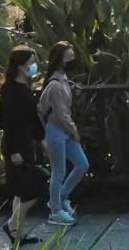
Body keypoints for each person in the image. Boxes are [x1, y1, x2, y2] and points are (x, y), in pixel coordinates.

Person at [0, 46, 46, 245]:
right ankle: (11, 224)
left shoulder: (23, 86)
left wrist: (40, 138)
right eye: (30, 62)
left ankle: (17, 233)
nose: (33, 66)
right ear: (20, 65)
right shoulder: (10, 90)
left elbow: (32, 117)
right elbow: (5, 122)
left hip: (27, 141)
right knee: (34, 186)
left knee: (21, 189)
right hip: (16, 143)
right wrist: (13, 151)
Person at [37, 41, 87, 227]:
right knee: (59, 171)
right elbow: (60, 115)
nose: (73, 61)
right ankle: (55, 211)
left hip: (64, 129)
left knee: (82, 164)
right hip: (57, 130)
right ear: (60, 61)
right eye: (70, 58)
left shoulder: (64, 81)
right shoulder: (55, 85)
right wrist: (74, 131)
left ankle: (61, 197)